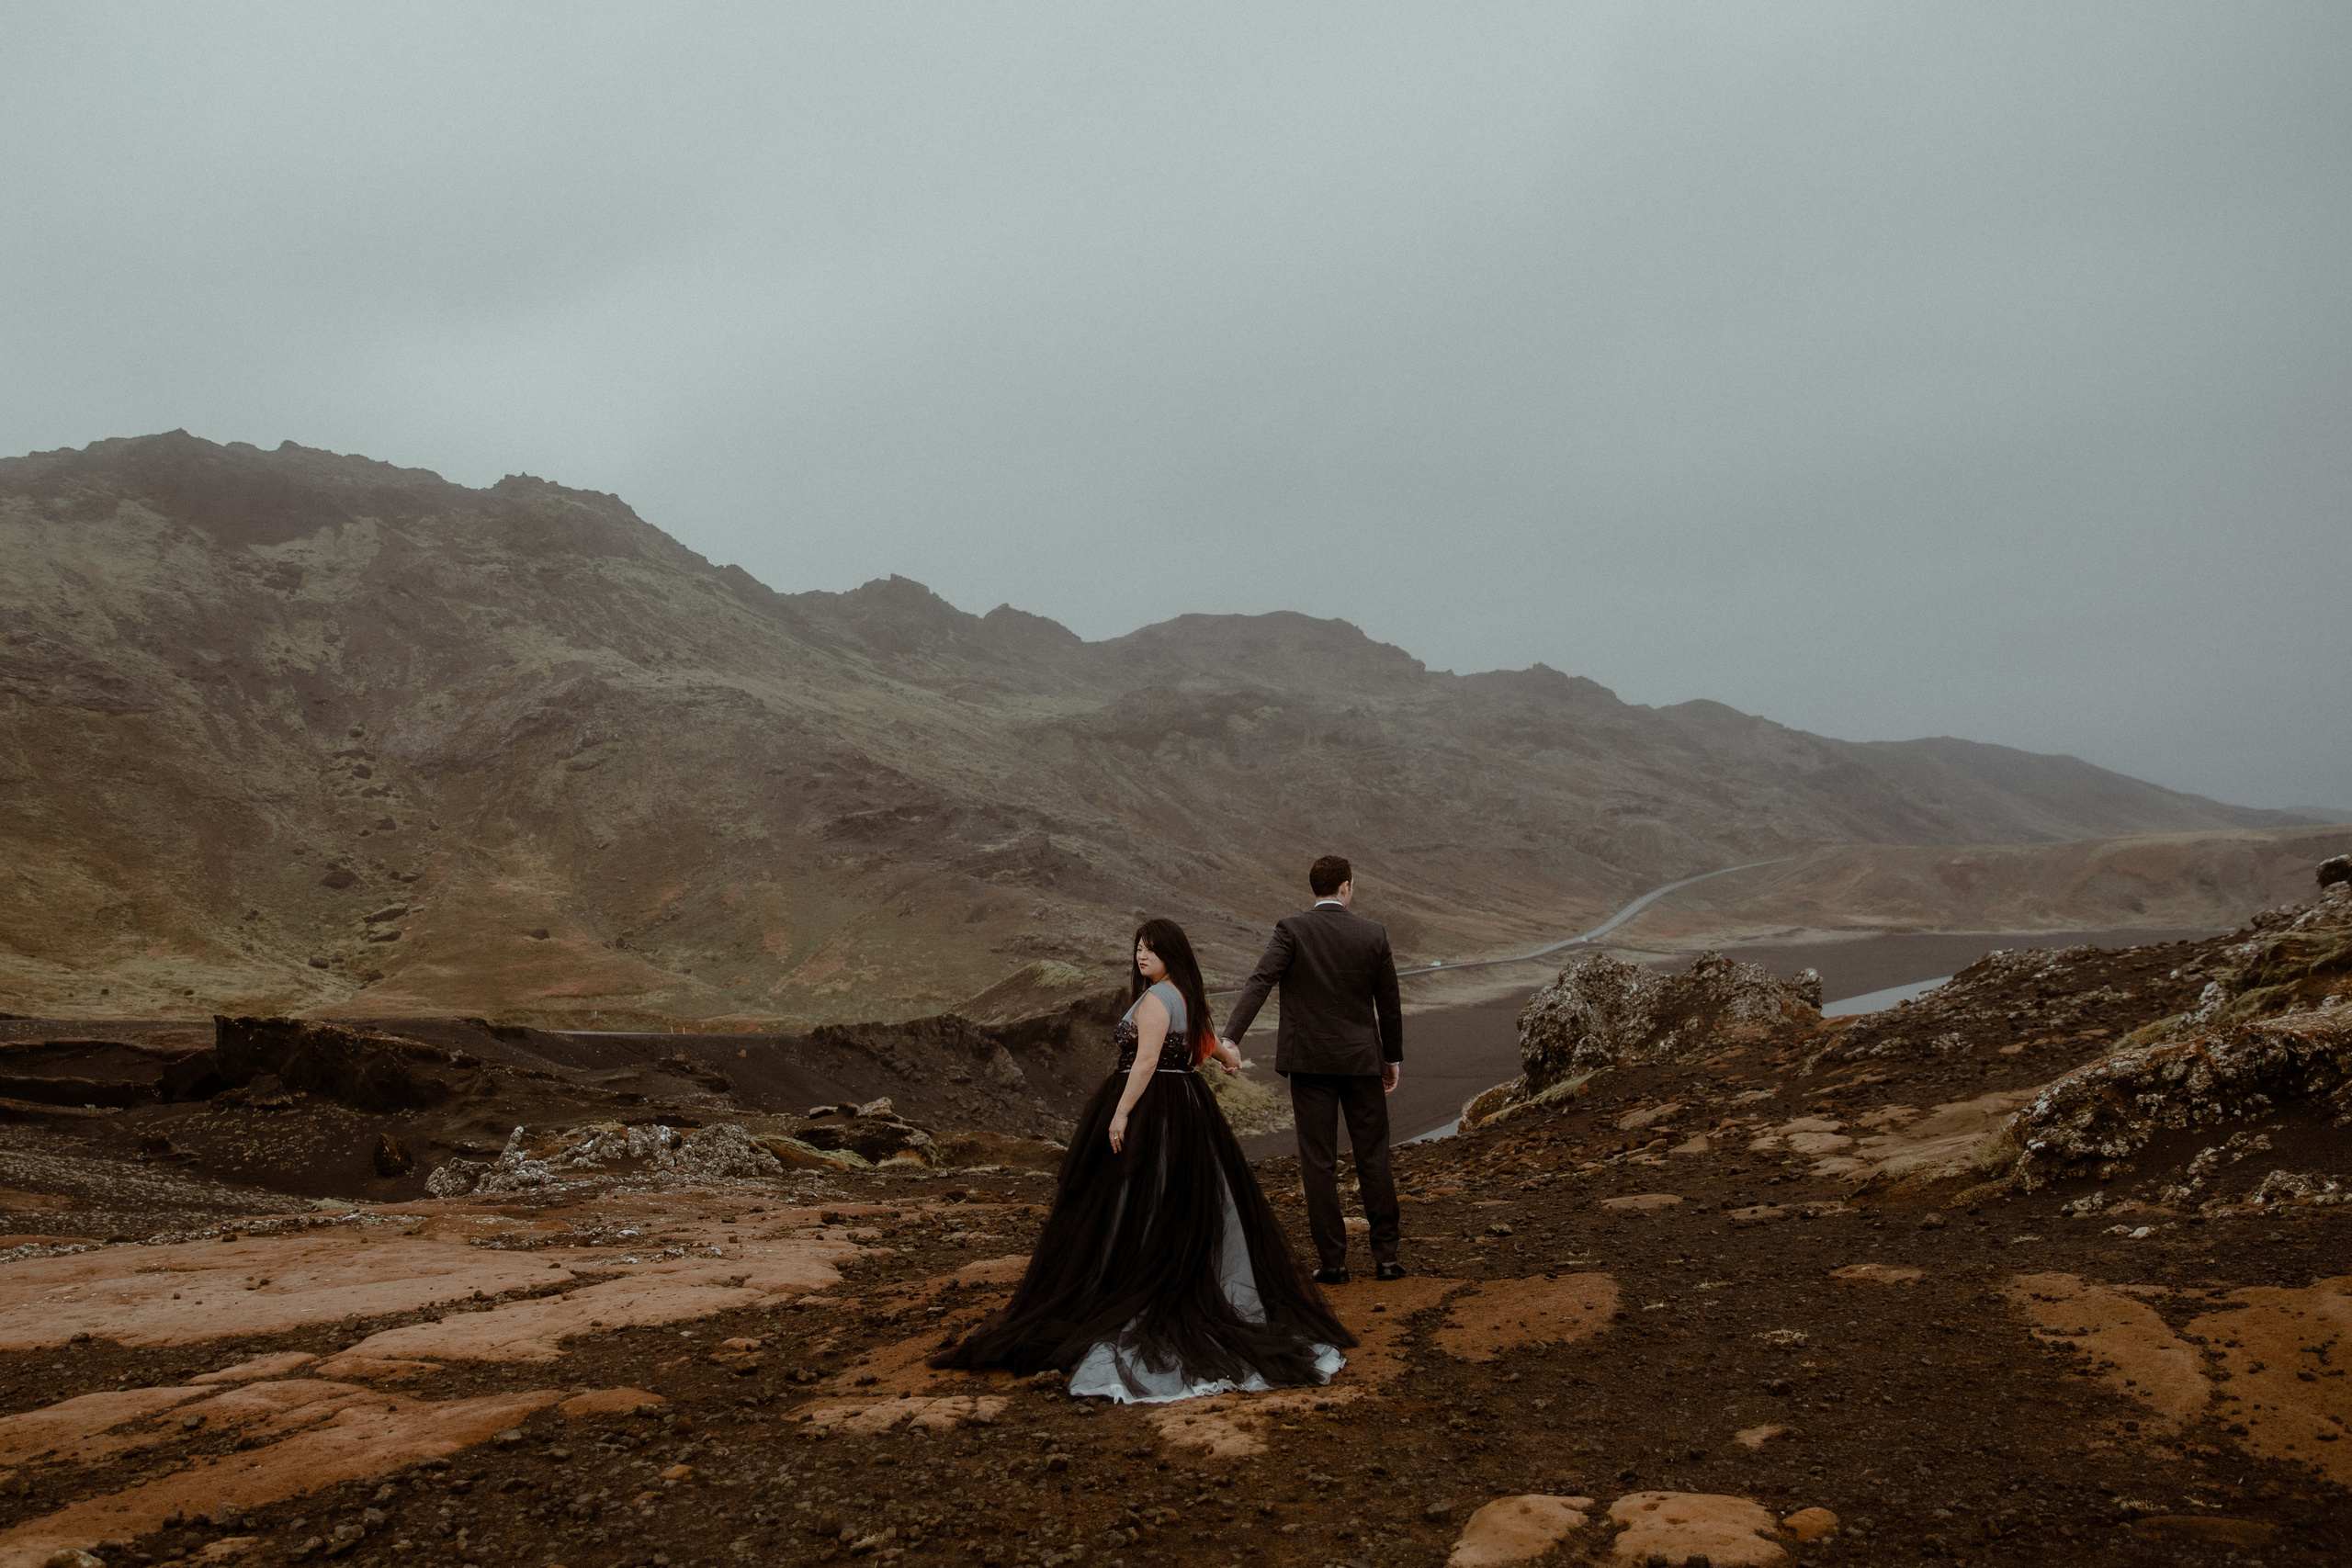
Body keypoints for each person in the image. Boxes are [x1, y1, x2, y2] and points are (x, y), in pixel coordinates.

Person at [931, 918, 1352, 1402]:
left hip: (1154, 1108)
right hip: (1188, 1108)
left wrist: (1120, 1113)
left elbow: (1147, 1061)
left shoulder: (1155, 1000)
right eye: (1138, 947)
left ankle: (1132, 1280)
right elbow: (1207, 1042)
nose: (1142, 955)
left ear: (1172, 952)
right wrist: (1230, 1060)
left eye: (1152, 948)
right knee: (1175, 1197)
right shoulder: (1187, 996)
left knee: (1135, 1196)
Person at [1218, 855, 1404, 1285]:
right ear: (1345, 886)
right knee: (1373, 1156)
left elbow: (1260, 981)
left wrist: (1232, 1037)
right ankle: (1387, 1259)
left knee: (1318, 1162)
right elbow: (1388, 1005)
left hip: (1310, 1063)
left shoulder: (1291, 930)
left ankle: (1335, 1264)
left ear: (1315, 888)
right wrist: (1391, 1059)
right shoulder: (1373, 934)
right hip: (1361, 1062)